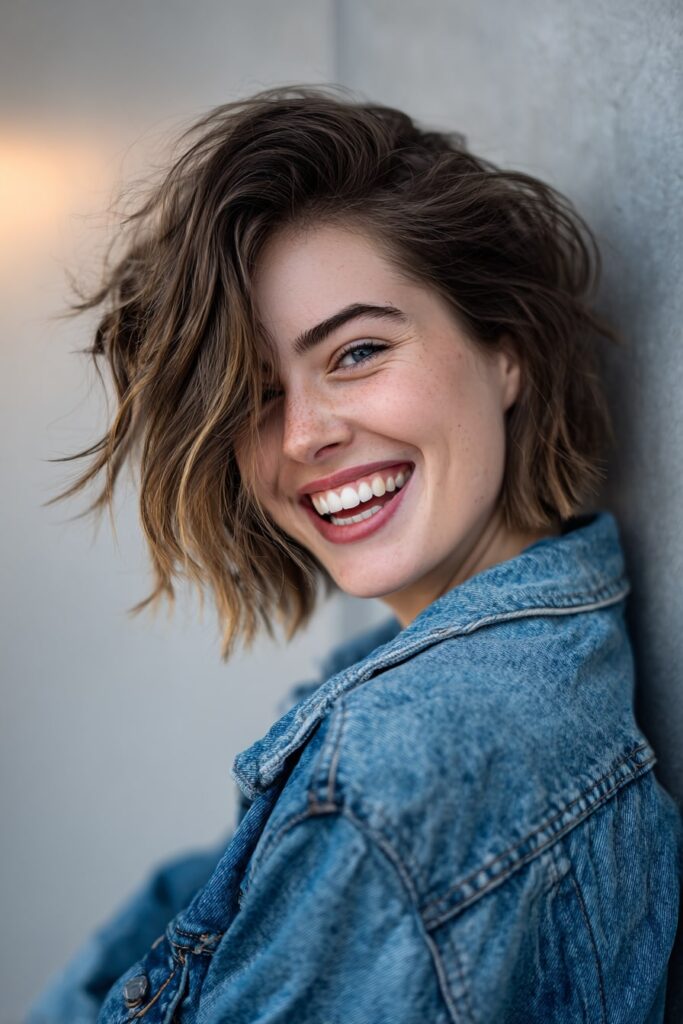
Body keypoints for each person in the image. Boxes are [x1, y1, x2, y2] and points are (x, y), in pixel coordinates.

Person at [29, 84, 681, 1023]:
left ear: (505, 350)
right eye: (255, 392)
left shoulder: (388, 777)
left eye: (356, 352)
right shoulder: (492, 687)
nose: (301, 436)